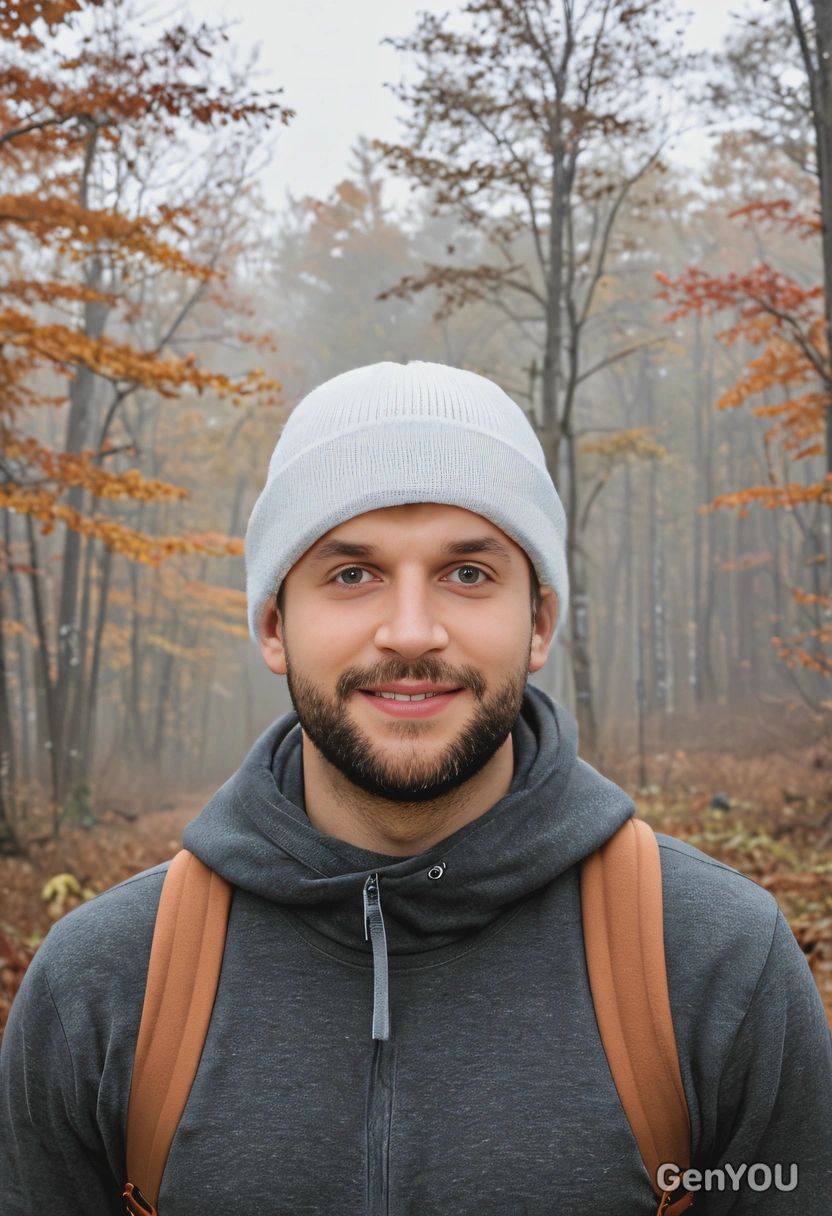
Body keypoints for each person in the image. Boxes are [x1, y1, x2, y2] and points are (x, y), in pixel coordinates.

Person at [1, 360, 830, 1215]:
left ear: (539, 622)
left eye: (467, 573)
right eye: (352, 574)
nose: (410, 632)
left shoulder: (717, 965)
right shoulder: (101, 987)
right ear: (275, 626)